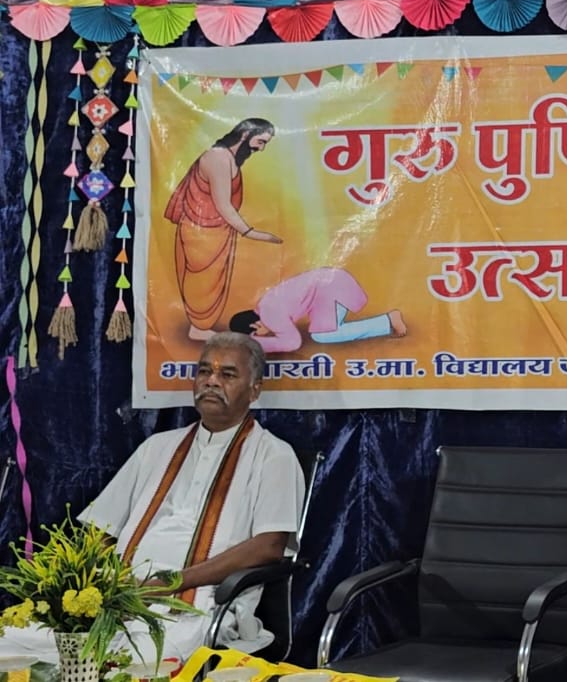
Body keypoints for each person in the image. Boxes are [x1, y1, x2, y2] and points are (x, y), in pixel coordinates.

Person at [0, 333, 306, 664]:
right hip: (119, 598)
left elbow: (269, 546)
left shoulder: (273, 456)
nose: (211, 381)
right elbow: (99, 530)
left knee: (132, 663)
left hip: (199, 605)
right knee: (9, 641)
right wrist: (89, 587)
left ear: (255, 389)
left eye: (228, 374)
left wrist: (170, 583)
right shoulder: (158, 447)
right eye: (204, 371)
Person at [164, 118, 284, 342]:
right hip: (201, 232)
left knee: (214, 281)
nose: (261, 148)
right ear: (245, 135)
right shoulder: (218, 158)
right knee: (202, 282)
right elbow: (223, 205)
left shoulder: (229, 158)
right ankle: (198, 327)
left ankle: (201, 325)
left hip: (218, 231)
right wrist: (253, 233)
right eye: (260, 141)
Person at [228, 267, 408, 354]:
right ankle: (386, 321)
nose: (263, 335)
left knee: (322, 336)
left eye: (256, 334)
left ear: (255, 325)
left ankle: (387, 321)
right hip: (331, 285)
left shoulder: (269, 315)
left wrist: (255, 345)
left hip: (332, 288)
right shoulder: (265, 304)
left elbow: (293, 343)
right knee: (322, 331)